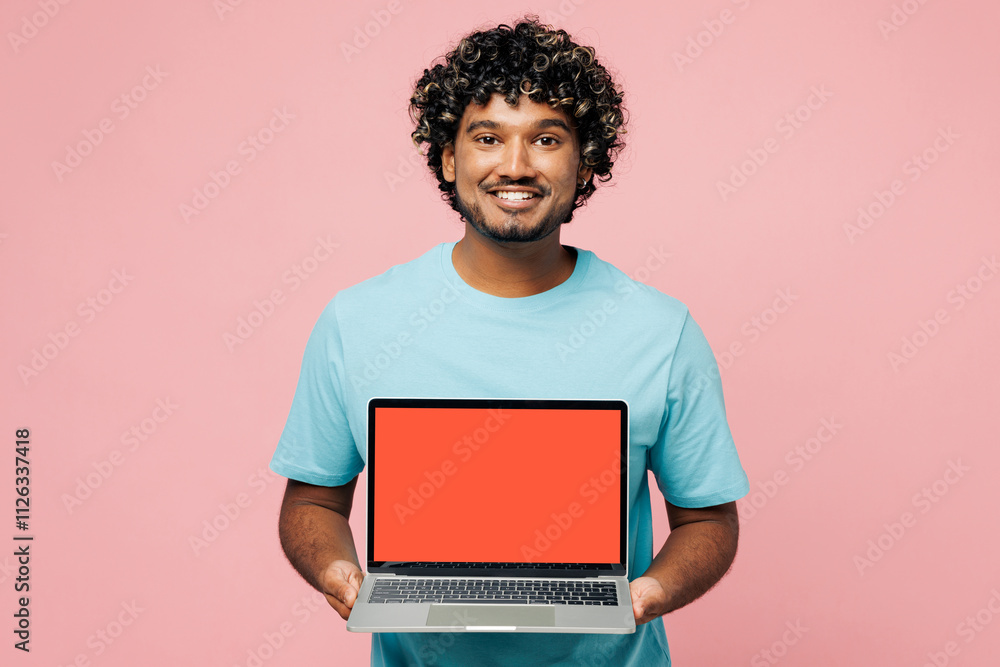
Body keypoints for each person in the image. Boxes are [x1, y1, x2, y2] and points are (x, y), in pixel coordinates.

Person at [271, 15, 749, 666]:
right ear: (449, 156)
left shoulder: (661, 332)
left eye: (546, 138)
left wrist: (648, 593)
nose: (515, 165)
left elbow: (708, 520)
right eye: (488, 136)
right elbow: (312, 500)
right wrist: (337, 571)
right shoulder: (357, 322)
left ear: (585, 165)